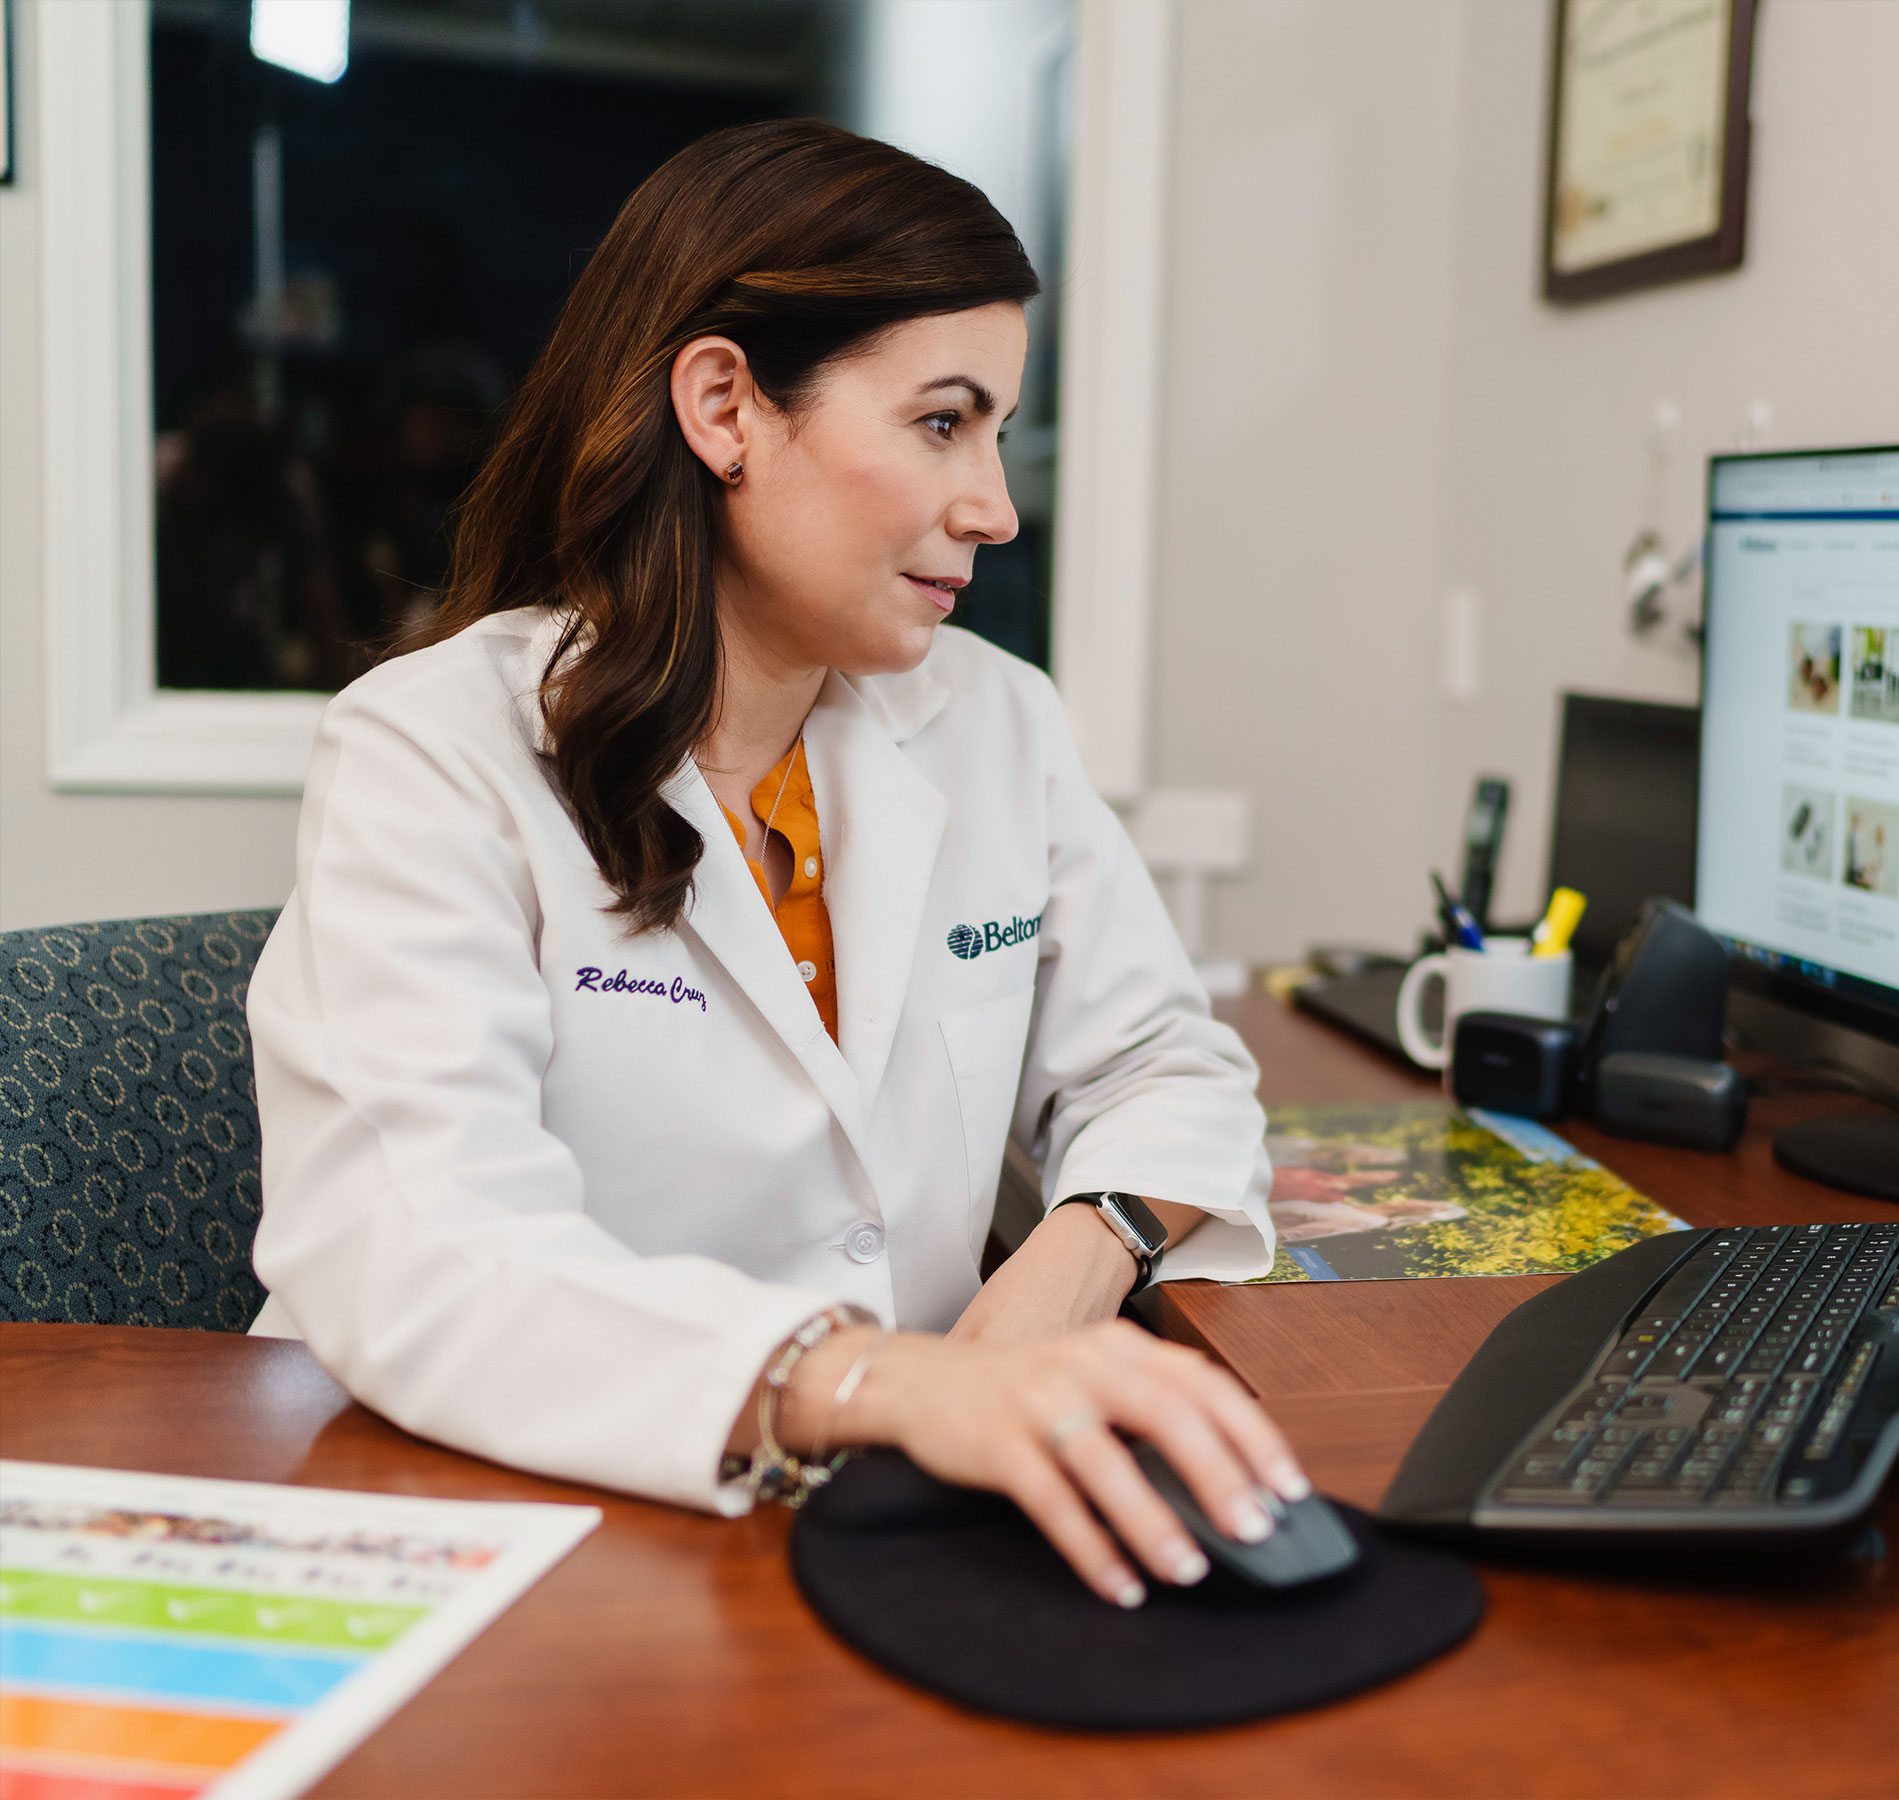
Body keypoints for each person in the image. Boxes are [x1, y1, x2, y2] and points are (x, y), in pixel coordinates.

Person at [247, 120, 1301, 1611]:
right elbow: (419, 1250)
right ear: (727, 404)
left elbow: (1167, 1065)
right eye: (945, 423)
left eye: (998, 432)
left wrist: (1075, 1261)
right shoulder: (432, 752)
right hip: (463, 1513)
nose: (995, 504)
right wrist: (872, 1380)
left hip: (850, 1526)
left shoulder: (993, 721)